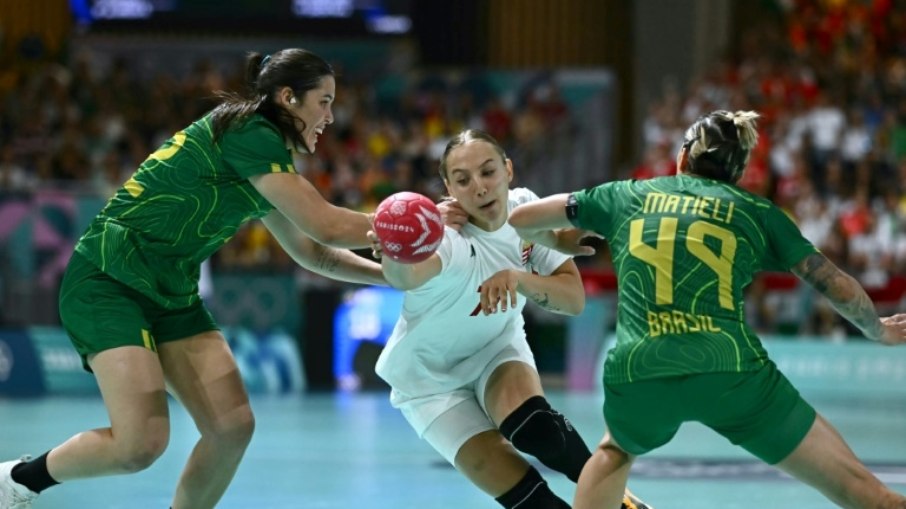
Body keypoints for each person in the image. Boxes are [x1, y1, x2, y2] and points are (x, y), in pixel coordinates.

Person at [0, 48, 386, 509]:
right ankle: (18, 480)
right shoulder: (250, 131)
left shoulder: (270, 160)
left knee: (231, 427)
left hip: (172, 293)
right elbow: (325, 225)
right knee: (138, 444)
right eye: (323, 101)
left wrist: (390, 277)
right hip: (109, 278)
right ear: (288, 98)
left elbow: (313, 253)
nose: (330, 115)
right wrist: (423, 227)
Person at [508, 109, 906, 509]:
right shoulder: (757, 212)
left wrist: (559, 243)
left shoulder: (626, 194)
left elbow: (521, 218)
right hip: (732, 371)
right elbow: (835, 284)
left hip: (640, 369)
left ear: (683, 157)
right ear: (737, 174)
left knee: (614, 452)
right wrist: (877, 330)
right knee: (865, 493)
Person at [369, 128, 650, 509]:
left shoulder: (525, 212)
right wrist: (395, 252)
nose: (480, 188)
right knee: (532, 501)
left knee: (537, 430)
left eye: (488, 172)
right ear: (448, 187)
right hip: (428, 382)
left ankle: (622, 505)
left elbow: (573, 300)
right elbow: (406, 275)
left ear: (508, 170)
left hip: (496, 347)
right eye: (463, 180)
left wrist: (519, 279)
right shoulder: (445, 239)